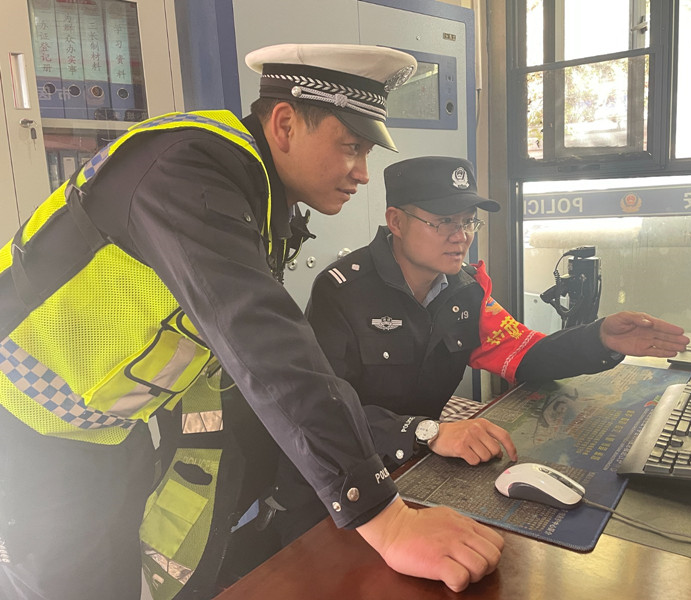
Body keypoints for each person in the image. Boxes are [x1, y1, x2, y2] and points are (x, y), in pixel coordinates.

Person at [0, 49, 504, 600]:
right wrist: (389, 519)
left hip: (104, 426)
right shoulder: (184, 170)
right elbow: (266, 344)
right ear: (285, 124)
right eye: (351, 147)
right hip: (22, 424)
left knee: (116, 576)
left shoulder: (259, 198)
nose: (363, 172)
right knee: (67, 583)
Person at [267, 155, 691, 545]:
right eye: (444, 222)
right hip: (334, 489)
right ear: (396, 221)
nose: (462, 237)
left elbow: (524, 353)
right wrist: (427, 431)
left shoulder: (465, 291)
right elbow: (323, 411)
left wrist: (600, 338)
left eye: (469, 222)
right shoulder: (343, 292)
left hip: (413, 472)